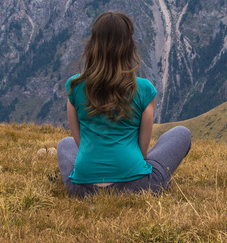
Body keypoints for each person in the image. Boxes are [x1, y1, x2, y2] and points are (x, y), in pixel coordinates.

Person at [57, 11, 191, 197]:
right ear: (128, 47)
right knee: (182, 133)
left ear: (93, 45)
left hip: (81, 188)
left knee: (66, 144)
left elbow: (80, 143)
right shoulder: (144, 89)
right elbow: (143, 150)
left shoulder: (74, 86)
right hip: (135, 185)